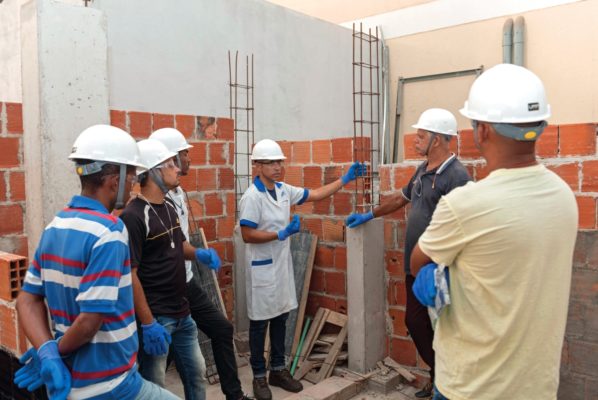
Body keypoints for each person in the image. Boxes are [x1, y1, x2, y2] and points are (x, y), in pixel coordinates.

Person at [410, 64, 578, 400]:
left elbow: (418, 262)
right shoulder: (564, 197)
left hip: (471, 387)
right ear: (540, 126)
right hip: (535, 387)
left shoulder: (465, 203)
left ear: (482, 130)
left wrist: (429, 274)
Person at [14, 125, 180, 399]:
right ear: (114, 180)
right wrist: (52, 353)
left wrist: (48, 350)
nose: (133, 185)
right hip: (112, 385)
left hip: (72, 386)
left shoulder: (55, 226)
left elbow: (27, 300)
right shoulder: (110, 232)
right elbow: (90, 320)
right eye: (131, 176)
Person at [345, 108, 470, 398]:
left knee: (446, 327)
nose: (415, 140)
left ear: (437, 140)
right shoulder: (422, 170)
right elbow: (400, 199)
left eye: (421, 136)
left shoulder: (457, 176)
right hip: (416, 266)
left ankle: (448, 383)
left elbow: (464, 224)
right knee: (415, 321)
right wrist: (370, 214)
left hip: (439, 269)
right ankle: (440, 374)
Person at [239, 139, 365, 400]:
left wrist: (344, 179)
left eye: (279, 162)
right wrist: (281, 233)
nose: (277, 167)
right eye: (271, 162)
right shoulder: (251, 197)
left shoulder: (284, 190)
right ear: (257, 165)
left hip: (280, 268)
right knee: (259, 324)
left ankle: (278, 369)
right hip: (262, 269)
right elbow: (247, 234)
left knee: (281, 318)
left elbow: (316, 194)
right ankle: (259, 377)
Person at [150, 128, 251, 400]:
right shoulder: (149, 206)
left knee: (221, 329)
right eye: (183, 154)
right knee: (161, 358)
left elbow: (179, 242)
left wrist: (197, 255)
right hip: (163, 291)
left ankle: (234, 394)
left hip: (186, 282)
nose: (188, 159)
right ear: (167, 159)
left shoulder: (178, 193)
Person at [120, 139, 219, 400]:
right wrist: (148, 323)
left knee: (196, 375)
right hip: (157, 317)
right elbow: (130, 274)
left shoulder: (169, 207)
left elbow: (178, 245)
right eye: (171, 164)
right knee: (155, 386)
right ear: (153, 171)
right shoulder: (133, 216)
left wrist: (199, 253)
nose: (177, 168)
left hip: (182, 313)